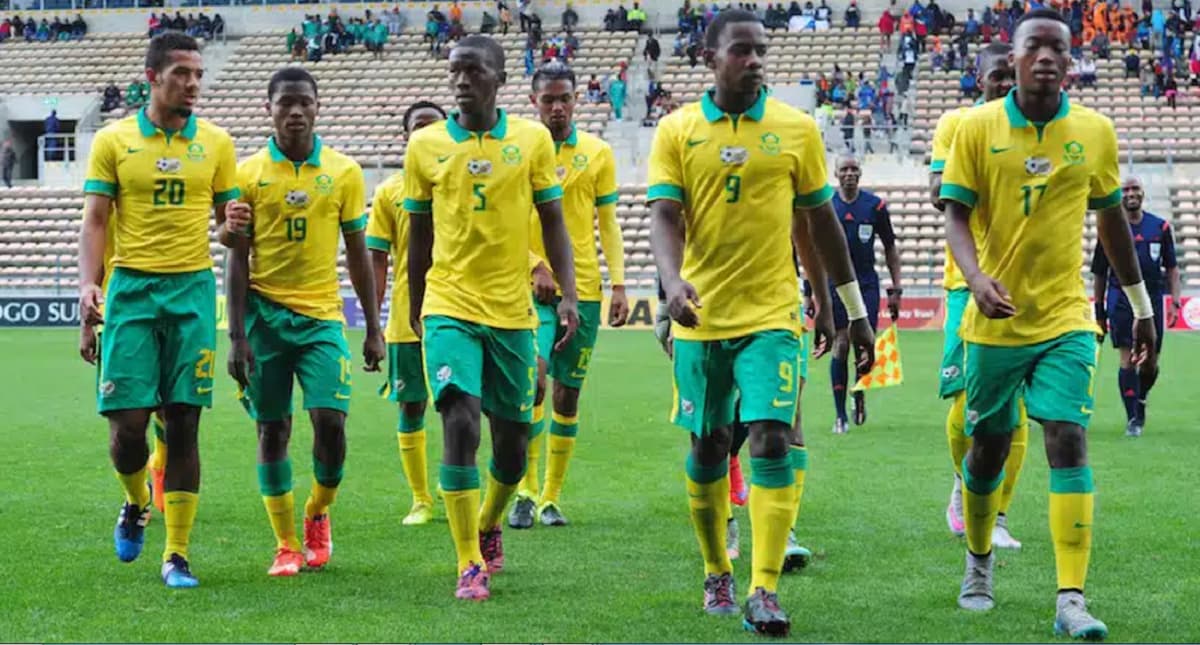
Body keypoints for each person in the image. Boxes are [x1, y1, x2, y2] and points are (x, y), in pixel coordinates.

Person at [647, 9, 874, 636]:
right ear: (710, 58)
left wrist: (847, 310)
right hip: (702, 316)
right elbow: (664, 215)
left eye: (760, 51)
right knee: (709, 444)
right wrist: (671, 282)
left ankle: (763, 588)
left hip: (773, 315)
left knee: (772, 436)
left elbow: (820, 226)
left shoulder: (796, 129)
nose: (754, 61)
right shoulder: (677, 129)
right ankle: (716, 569)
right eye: (741, 51)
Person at [939, 9, 1157, 638]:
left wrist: (1142, 307)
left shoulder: (1094, 130)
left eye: (1057, 48)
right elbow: (954, 214)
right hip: (995, 319)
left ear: (1070, 60)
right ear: (1012, 57)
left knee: (1067, 438)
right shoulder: (976, 127)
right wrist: (976, 278)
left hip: (1066, 316)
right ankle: (979, 560)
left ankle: (1071, 599)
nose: (1045, 57)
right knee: (987, 449)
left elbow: (1112, 223)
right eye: (1033, 46)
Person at [405, 35, 579, 601]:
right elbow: (419, 234)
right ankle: (468, 562)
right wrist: (415, 307)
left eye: (475, 70)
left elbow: (553, 220)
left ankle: (488, 521)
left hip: (511, 311)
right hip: (449, 305)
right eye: (455, 70)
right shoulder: (425, 145)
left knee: (511, 445)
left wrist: (569, 294)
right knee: (459, 421)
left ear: (500, 78)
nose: (462, 80)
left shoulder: (531, 140)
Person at [79, 33, 242, 589]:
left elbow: (227, 231)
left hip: (192, 291)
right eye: (181, 74)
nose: (193, 84)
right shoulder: (113, 140)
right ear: (152, 77)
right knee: (127, 428)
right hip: (131, 290)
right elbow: (96, 220)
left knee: (184, 421)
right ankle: (136, 499)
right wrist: (88, 285)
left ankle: (177, 554)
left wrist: (231, 228)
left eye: (198, 74)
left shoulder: (217, 143)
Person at [221, 67, 382, 578]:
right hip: (265, 317)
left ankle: (317, 510)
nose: (295, 111)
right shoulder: (247, 174)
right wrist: (237, 335)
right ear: (268, 109)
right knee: (272, 428)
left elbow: (358, 252)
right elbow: (236, 257)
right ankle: (286, 544)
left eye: (304, 102)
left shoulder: (344, 172)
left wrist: (374, 327)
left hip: (322, 319)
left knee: (331, 423)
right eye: (285, 103)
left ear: (317, 107)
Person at [504, 62, 629, 530]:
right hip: (528, 287)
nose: (557, 107)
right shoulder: (518, 151)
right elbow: (505, 221)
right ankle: (524, 490)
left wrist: (619, 284)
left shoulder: (597, 153)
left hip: (585, 291)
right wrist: (533, 263)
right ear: (533, 102)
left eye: (565, 99)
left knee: (567, 395)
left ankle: (551, 497)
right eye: (548, 99)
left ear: (576, 101)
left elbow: (608, 224)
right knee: (531, 381)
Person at [928, 42, 1025, 550]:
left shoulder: (1034, 132)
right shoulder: (958, 124)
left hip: (1021, 285)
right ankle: (963, 483)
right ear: (978, 77)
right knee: (966, 399)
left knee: (1015, 408)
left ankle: (999, 515)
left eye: (1011, 75)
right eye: (996, 75)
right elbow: (939, 193)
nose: (1004, 84)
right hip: (965, 283)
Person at [367, 100, 447, 526]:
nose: (426, 134)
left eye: (434, 126)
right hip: (406, 318)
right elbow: (378, 260)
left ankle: (453, 484)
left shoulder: (459, 183)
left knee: (459, 405)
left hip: (457, 309)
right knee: (411, 406)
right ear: (405, 136)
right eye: (418, 127)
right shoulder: (389, 192)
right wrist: (373, 324)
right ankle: (420, 499)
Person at [811, 156, 900, 434]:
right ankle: (840, 416)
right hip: (834, 283)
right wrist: (810, 292)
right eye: (844, 169)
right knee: (841, 342)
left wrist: (896, 288)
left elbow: (890, 246)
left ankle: (858, 392)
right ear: (836, 174)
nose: (849, 173)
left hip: (866, 284)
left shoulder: (875, 206)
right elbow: (813, 251)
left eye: (854, 169)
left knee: (865, 344)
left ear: (860, 173)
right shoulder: (826, 206)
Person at [1091, 177, 1180, 437]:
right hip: (1120, 298)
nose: (1130, 193)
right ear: (1120, 195)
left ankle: (1139, 399)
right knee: (1128, 358)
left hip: (1153, 298)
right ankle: (1133, 418)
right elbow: (1099, 273)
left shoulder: (1160, 227)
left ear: (1142, 193)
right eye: (1125, 190)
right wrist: (1099, 311)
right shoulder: (1109, 229)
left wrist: (1174, 301)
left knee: (1150, 363)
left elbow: (1172, 268)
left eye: (1134, 189)